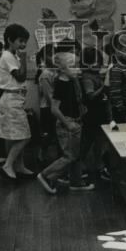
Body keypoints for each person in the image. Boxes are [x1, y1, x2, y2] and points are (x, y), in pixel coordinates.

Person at [36, 51, 95, 194]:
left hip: (75, 121)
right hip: (67, 124)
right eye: (73, 66)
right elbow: (54, 109)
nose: (78, 69)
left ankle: (76, 182)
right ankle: (45, 175)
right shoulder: (61, 84)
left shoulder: (71, 81)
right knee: (69, 156)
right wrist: (68, 124)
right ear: (62, 69)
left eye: (77, 65)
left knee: (76, 154)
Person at [0, 24, 33, 180]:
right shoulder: (7, 56)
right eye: (20, 40)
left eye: (25, 41)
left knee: (17, 136)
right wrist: (24, 59)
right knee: (25, 136)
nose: (23, 44)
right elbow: (20, 76)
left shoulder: (13, 55)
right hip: (11, 99)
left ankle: (19, 166)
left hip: (15, 99)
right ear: (10, 40)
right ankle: (8, 165)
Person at [79, 45, 112, 182]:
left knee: (97, 141)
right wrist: (104, 88)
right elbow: (90, 96)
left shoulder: (94, 74)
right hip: (92, 113)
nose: (99, 65)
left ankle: (97, 167)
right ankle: (82, 167)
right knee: (89, 141)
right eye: (96, 62)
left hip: (98, 111)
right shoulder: (87, 77)